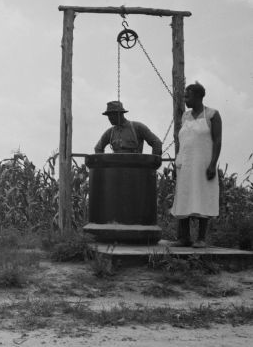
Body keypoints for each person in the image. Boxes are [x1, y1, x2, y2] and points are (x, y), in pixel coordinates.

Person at [170, 82, 222, 247]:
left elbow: (217, 140)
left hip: (203, 165)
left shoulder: (212, 114)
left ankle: (201, 239)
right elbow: (182, 141)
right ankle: (184, 238)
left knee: (202, 196)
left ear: (198, 96)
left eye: (188, 95)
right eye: (185, 95)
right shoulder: (185, 116)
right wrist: (177, 162)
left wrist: (213, 164)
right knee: (184, 197)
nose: (185, 98)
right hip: (185, 165)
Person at [94, 100, 163, 155]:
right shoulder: (110, 132)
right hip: (116, 169)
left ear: (120, 114)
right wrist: (104, 164)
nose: (109, 118)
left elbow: (156, 143)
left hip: (136, 169)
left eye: (111, 115)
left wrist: (152, 164)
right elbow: (98, 148)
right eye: (108, 116)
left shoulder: (138, 127)